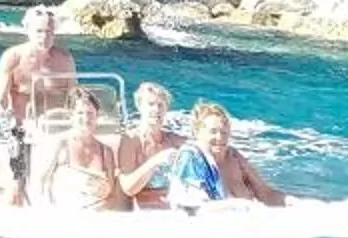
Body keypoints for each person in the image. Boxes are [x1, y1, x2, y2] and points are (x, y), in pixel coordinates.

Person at [0, 6, 79, 205]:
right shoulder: (13, 58)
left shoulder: (64, 60)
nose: (44, 37)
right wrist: (5, 118)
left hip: (56, 129)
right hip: (21, 131)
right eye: (39, 31)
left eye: (49, 32)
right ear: (27, 30)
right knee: (17, 182)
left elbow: (75, 96)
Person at [159, 100, 287, 207]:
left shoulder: (234, 157)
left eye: (224, 132)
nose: (219, 137)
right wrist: (243, 207)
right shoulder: (191, 158)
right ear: (197, 132)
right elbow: (193, 205)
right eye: (213, 131)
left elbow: (265, 193)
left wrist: (295, 203)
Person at [38, 90, 126, 212]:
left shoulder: (106, 152)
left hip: (97, 215)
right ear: (71, 115)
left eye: (90, 113)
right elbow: (41, 183)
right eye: (80, 113)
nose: (85, 118)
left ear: (97, 116)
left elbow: (112, 196)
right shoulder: (59, 145)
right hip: (61, 215)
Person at [115, 80, 180, 209]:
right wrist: (155, 161)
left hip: (175, 205)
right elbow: (128, 188)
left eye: (161, 105)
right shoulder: (131, 140)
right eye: (151, 104)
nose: (156, 110)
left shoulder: (175, 140)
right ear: (139, 106)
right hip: (146, 211)